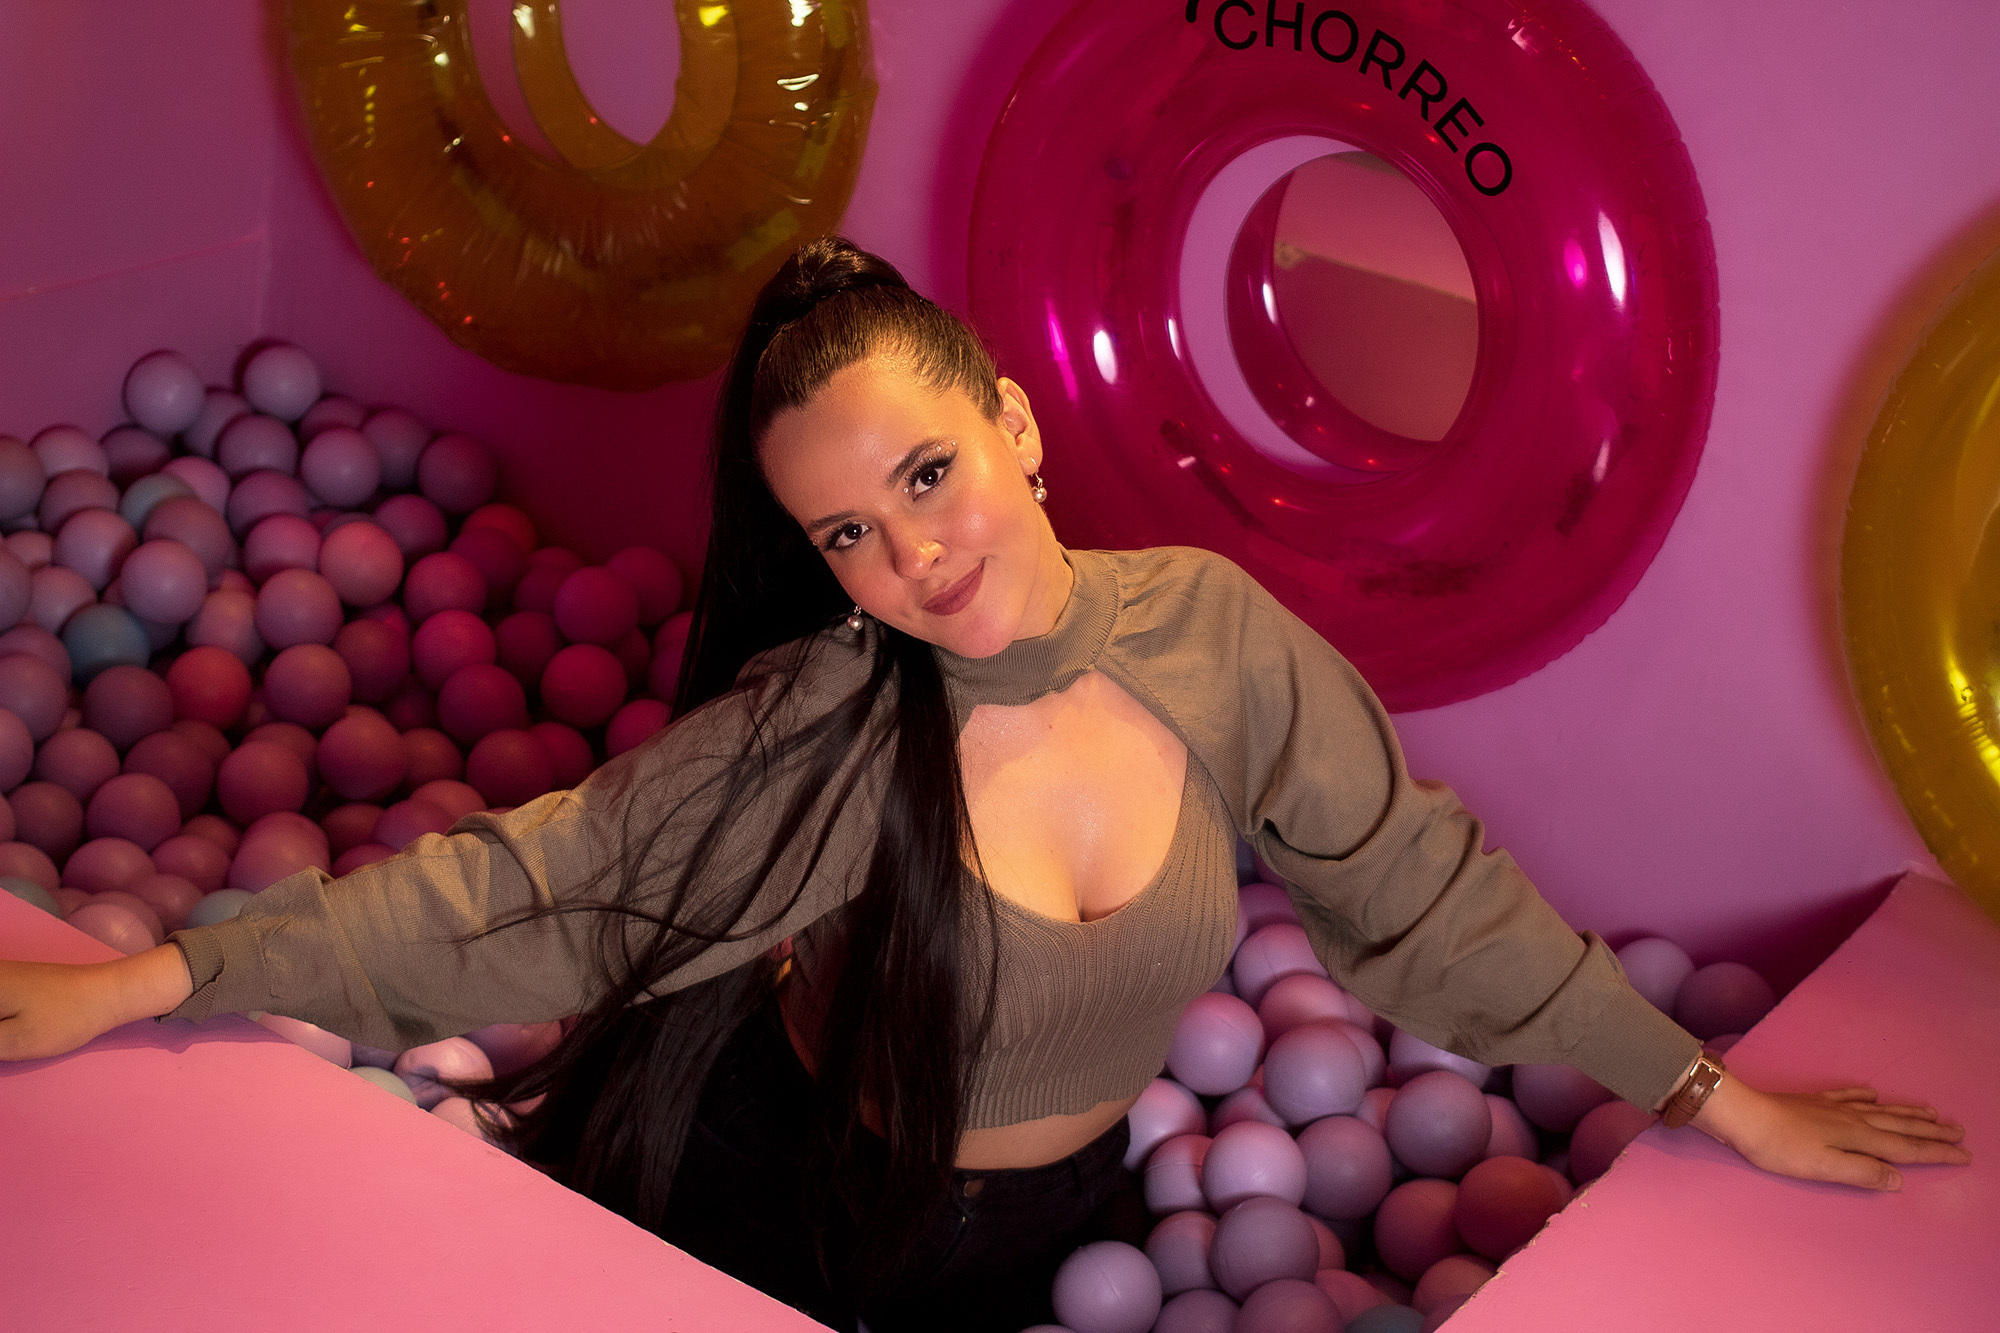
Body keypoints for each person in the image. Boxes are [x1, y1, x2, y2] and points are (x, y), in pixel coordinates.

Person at [0, 237, 1970, 1331]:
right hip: (797, 1203)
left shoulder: (1210, 634)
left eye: (928, 473)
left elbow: (1426, 894)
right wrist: (149, 977)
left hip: (1055, 1219)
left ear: (1016, 421)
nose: (913, 554)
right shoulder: (835, 726)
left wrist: (1721, 1096)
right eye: (847, 535)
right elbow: (528, 886)